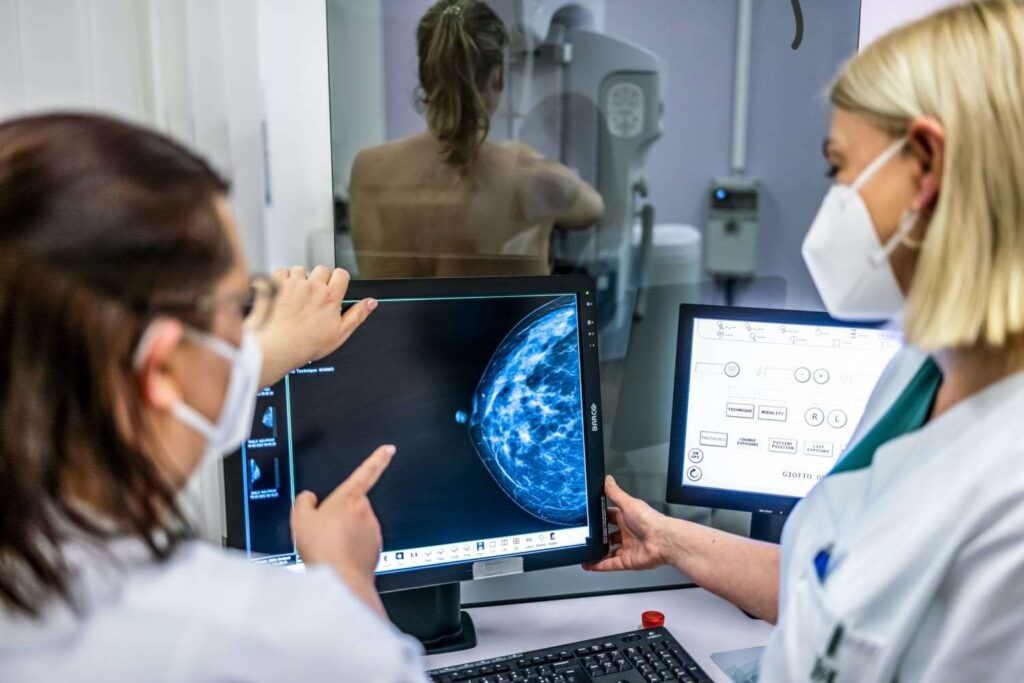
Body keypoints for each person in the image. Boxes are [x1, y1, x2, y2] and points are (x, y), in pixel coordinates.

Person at [585, 1, 1024, 680]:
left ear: (928, 165)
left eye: (839, 170)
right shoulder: (917, 368)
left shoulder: (1009, 497)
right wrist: (666, 536)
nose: (834, 201)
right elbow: (827, 582)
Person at [0, 114, 428, 681]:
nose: (248, 331)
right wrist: (347, 581)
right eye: (236, 308)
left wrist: (262, 352)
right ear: (161, 366)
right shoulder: (276, 642)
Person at [349, 0, 604, 278]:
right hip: (504, 324)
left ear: (424, 76)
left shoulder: (367, 167)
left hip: (392, 324)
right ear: (499, 77)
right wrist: (525, 157)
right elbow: (594, 209)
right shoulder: (536, 179)